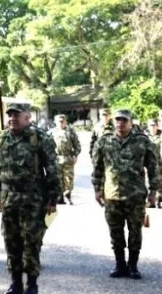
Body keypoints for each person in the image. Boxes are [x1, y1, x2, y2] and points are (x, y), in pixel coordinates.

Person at [0, 103, 60, 294]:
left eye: (17, 115)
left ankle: (32, 284)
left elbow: (52, 170)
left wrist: (53, 199)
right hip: (9, 200)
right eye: (9, 115)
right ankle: (15, 283)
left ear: (27, 117)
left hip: (33, 201)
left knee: (31, 243)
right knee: (11, 242)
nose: (12, 119)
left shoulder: (39, 139)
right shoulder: (0, 138)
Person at [91, 109, 158, 279]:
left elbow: (153, 167)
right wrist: (97, 189)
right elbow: (98, 167)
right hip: (112, 195)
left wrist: (154, 191)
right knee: (116, 232)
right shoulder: (105, 141)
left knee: (135, 232)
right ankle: (120, 265)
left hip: (135, 196)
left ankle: (133, 266)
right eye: (118, 120)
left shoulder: (142, 141)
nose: (120, 123)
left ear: (131, 122)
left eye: (124, 120)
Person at [49, 115, 81, 205]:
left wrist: (75, 155)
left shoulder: (70, 132)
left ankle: (68, 196)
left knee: (68, 179)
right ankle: (60, 198)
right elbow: (47, 146)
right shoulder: (51, 133)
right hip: (56, 158)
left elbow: (77, 145)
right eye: (59, 121)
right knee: (58, 179)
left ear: (65, 122)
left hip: (67, 158)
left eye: (62, 121)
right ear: (55, 122)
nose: (60, 123)